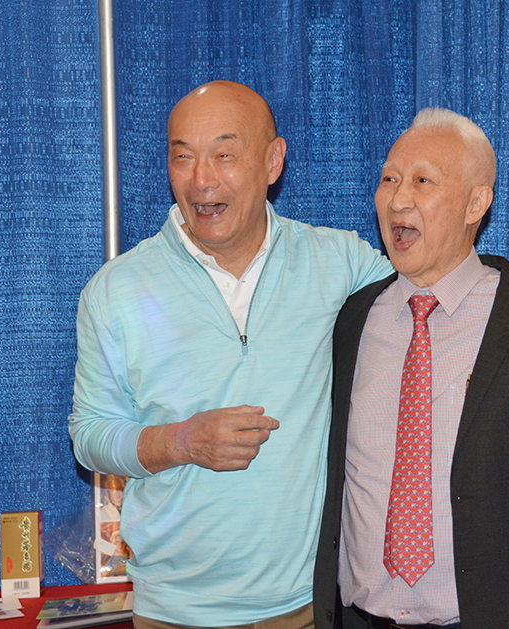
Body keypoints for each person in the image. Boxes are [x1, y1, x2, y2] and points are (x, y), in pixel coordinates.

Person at [68, 81, 393, 628]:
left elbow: (425, 304)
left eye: (224, 155)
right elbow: (90, 434)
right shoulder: (117, 290)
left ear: (273, 161)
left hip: (310, 605)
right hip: (174, 611)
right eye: (183, 157)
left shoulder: (339, 263)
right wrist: (180, 441)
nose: (201, 180)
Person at [313, 108, 509, 629]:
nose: (397, 200)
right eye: (389, 179)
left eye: (422, 181)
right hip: (359, 616)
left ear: (476, 203)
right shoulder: (353, 318)